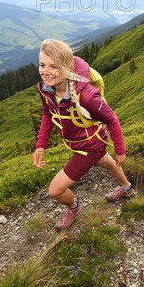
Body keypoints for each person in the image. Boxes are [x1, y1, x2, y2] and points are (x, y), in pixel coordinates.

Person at [33, 39, 135, 229]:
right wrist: (40, 144)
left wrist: (121, 150)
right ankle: (127, 188)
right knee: (107, 163)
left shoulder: (86, 95)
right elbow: (48, 114)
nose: (45, 71)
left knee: (55, 190)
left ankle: (74, 207)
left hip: (90, 147)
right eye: (42, 64)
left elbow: (111, 119)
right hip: (83, 142)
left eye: (53, 66)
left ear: (66, 67)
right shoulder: (45, 88)